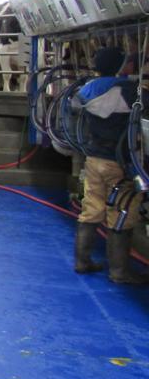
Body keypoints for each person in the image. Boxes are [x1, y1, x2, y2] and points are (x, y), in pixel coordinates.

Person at [72, 46, 148, 284]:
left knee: (91, 208)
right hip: (119, 163)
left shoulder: (88, 90)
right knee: (122, 212)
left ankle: (82, 261)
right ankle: (119, 272)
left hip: (94, 159)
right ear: (120, 66)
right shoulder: (127, 91)